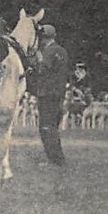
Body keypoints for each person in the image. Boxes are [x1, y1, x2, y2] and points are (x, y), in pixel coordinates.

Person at [36, 24, 69, 166]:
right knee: (53, 126)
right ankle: (57, 158)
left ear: (43, 38)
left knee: (46, 127)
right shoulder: (62, 51)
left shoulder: (48, 52)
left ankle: (54, 160)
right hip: (58, 93)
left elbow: (42, 70)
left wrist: (36, 61)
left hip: (47, 94)